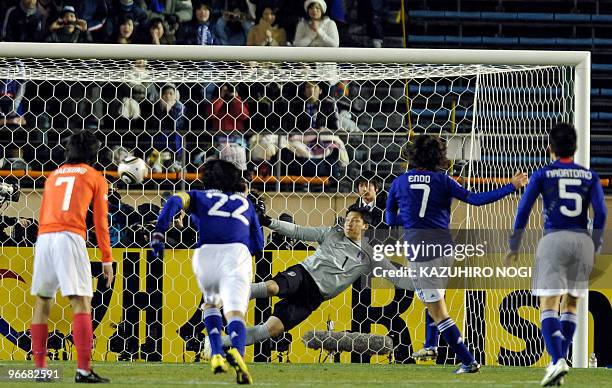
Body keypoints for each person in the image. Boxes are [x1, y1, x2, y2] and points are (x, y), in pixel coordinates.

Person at [386, 134, 528, 374]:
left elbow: (389, 218)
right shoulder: (444, 180)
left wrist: (411, 220)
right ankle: (431, 345)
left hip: (421, 251)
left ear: (412, 156)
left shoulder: (399, 182)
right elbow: (476, 199)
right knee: (432, 302)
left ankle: (468, 361)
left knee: (438, 310)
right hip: (444, 250)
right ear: (439, 157)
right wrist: (511, 186)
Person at [210, 204, 413, 351]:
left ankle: (219, 343)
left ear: (366, 226)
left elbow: (393, 275)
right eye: (348, 219)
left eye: (355, 221)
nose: (349, 224)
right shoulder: (332, 233)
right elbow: (298, 232)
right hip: (303, 274)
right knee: (272, 288)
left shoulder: (369, 256)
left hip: (314, 297)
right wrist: (268, 221)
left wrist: (421, 284)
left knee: (272, 329)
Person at [505, 123, 607, 386]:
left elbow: (523, 209)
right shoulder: (589, 176)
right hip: (581, 241)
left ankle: (558, 359)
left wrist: (514, 243)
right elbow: (601, 212)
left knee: (549, 305)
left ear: (549, 147)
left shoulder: (542, 174)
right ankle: (558, 362)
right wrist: (595, 242)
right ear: (574, 147)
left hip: (554, 240)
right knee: (571, 304)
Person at [151, 159, 263, 385]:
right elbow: (259, 245)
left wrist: (159, 231)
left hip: (207, 253)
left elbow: (174, 200)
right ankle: (238, 355)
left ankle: (216, 353)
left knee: (211, 305)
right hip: (238, 254)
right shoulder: (245, 204)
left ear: (205, 179)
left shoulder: (198, 196)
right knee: (234, 313)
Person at [30, 131, 112, 383]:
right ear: (94, 153)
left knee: (42, 302)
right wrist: (106, 259)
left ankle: (40, 369)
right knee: (81, 302)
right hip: (70, 236)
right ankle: (84, 370)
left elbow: (43, 213)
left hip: (44, 238)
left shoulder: (53, 175)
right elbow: (100, 222)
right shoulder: (95, 177)